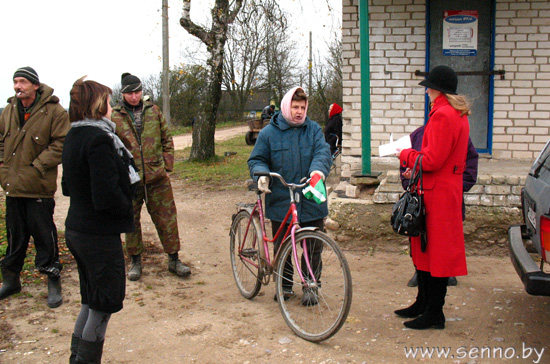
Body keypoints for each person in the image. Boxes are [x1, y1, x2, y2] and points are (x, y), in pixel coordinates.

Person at [62, 77, 137, 363]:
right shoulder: (98, 139)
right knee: (102, 305)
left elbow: (67, 187)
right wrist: (125, 206)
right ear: (97, 104)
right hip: (97, 237)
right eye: (107, 101)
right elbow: (106, 197)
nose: (110, 106)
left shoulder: (74, 135)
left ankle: (75, 358)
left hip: (77, 230)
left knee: (90, 301)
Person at [395, 65, 470, 330]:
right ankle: (423, 303)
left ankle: (434, 312)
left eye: (428, 87)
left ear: (436, 89)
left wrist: (405, 154)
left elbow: (432, 160)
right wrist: (414, 164)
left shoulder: (443, 115)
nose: (426, 91)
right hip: (442, 191)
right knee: (425, 249)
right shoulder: (456, 114)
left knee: (434, 252)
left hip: (436, 193)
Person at [248, 87, 331, 306]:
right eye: (295, 107)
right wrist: (262, 176)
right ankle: (284, 285)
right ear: (286, 106)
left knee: (313, 245)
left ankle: (311, 285)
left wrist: (318, 171)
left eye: (303, 107)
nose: (299, 112)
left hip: (311, 196)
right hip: (282, 198)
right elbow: (256, 159)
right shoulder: (269, 133)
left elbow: (323, 152)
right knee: (284, 244)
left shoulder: (313, 129)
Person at [0, 67, 70, 308]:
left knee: (44, 235)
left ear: (35, 86)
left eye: (22, 82)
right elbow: (1, 140)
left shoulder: (55, 112)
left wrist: (38, 165)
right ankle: (11, 280)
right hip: (13, 186)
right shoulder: (8, 110)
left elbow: (62, 143)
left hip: (39, 186)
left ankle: (52, 279)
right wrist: (2, 165)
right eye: (15, 82)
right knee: (14, 236)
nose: (17, 86)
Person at [111, 73, 191, 281]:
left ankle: (174, 259)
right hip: (130, 180)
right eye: (130, 93)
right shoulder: (115, 116)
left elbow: (167, 139)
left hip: (157, 178)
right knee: (131, 221)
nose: (134, 96)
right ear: (123, 94)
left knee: (167, 219)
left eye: (137, 92)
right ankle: (135, 261)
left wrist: (166, 166)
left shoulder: (153, 111)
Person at [401, 124, 479, 287]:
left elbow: (470, 161)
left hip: (445, 197)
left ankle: (447, 273)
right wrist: (409, 182)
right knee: (417, 235)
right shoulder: (417, 135)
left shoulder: (456, 133)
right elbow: (406, 162)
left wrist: (457, 186)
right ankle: (419, 271)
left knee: (445, 236)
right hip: (419, 198)